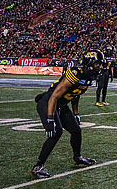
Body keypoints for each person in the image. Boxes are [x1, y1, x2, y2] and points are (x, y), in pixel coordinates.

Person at [31, 49, 105, 178]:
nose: (100, 67)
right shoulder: (76, 73)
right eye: (98, 64)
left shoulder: (88, 76)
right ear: (89, 63)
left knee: (76, 130)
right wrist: (50, 120)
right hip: (48, 102)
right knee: (56, 132)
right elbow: (54, 96)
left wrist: (76, 113)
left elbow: (76, 93)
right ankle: (38, 167)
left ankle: (77, 157)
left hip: (60, 104)